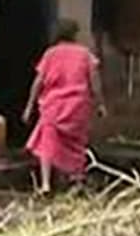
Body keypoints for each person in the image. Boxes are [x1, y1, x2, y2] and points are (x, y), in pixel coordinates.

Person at [22, 18, 107, 196]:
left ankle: (46, 184)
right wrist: (100, 104)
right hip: (78, 106)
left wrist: (29, 106)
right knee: (76, 143)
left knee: (48, 143)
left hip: (53, 105)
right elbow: (95, 82)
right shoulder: (85, 54)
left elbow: (38, 82)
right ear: (74, 35)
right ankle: (77, 179)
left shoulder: (50, 54)